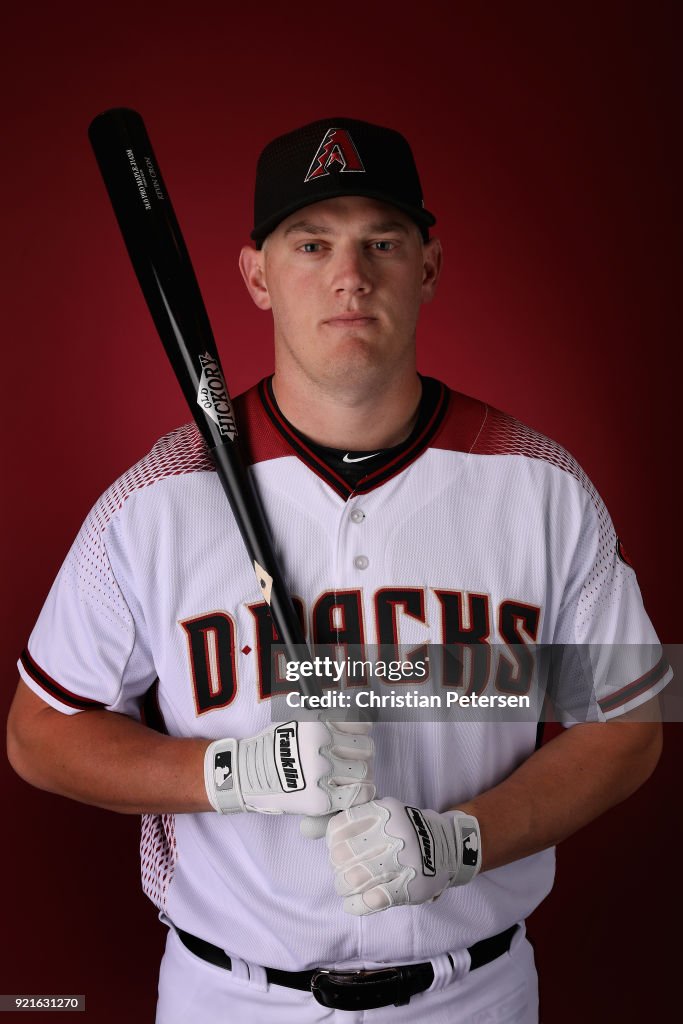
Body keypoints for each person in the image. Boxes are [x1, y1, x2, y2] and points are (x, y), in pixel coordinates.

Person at [7, 117, 670, 1023]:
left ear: (428, 266)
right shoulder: (157, 498)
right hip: (229, 997)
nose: (348, 276)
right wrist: (232, 774)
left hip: (473, 996)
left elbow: (631, 726)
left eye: (381, 243)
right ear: (256, 275)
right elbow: (38, 735)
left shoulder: (540, 486)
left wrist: (457, 843)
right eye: (310, 243)